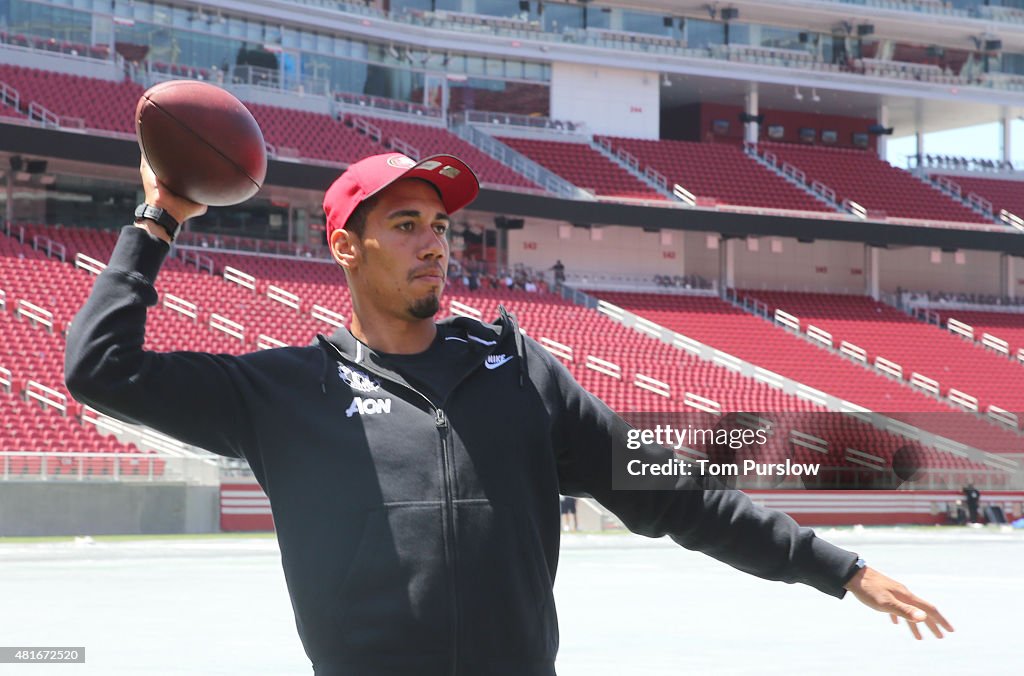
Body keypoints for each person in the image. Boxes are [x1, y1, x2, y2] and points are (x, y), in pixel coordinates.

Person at [65, 152, 953, 676]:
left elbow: (675, 493)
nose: (435, 243)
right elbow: (100, 367)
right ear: (346, 246)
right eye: (407, 223)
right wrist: (158, 218)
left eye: (442, 227)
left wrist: (840, 569)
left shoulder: (519, 371)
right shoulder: (283, 392)